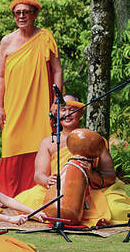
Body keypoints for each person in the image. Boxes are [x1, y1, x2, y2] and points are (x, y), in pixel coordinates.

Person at [15, 96, 130, 226]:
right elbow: (39, 174)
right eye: (63, 110)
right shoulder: (49, 142)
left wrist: (91, 174)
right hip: (57, 190)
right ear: (57, 114)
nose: (67, 114)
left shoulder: (95, 140)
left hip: (92, 191)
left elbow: (110, 175)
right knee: (25, 201)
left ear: (80, 113)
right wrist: (47, 180)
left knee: (118, 209)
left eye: (72, 110)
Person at [0, 0, 63, 197]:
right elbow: (0, 76)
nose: (21, 16)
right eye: (18, 12)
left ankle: (38, 193)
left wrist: (57, 101)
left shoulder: (46, 38)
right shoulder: (6, 41)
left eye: (26, 12)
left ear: (35, 14)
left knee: (40, 142)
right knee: (11, 142)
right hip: (13, 104)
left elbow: (57, 70)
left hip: (41, 103)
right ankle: (8, 196)